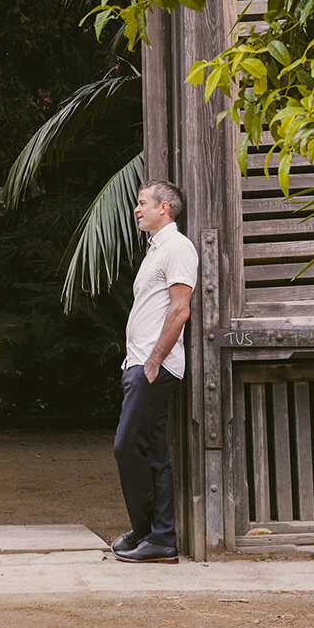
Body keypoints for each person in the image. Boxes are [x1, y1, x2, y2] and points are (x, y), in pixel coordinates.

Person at [111, 179, 198, 564]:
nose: (136, 209)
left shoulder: (178, 248)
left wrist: (152, 361)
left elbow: (181, 309)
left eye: (143, 202)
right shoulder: (156, 251)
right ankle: (154, 536)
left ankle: (154, 534)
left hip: (154, 366)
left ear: (165, 208)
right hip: (141, 364)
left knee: (126, 446)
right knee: (153, 452)